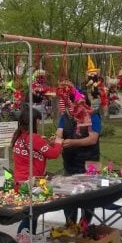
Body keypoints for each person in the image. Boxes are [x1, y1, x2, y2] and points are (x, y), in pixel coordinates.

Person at [12, 106, 63, 233]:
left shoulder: (19, 136)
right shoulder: (33, 138)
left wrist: (48, 144)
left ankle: (29, 241)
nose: (40, 123)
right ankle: (24, 241)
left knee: (32, 214)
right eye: (38, 120)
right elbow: (54, 154)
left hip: (21, 181)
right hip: (32, 182)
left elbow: (38, 155)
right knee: (31, 215)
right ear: (32, 121)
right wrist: (58, 142)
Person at [55, 89, 102, 225]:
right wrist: (57, 140)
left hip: (89, 163)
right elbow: (59, 133)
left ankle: (84, 225)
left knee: (88, 198)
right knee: (69, 198)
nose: (71, 109)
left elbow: (93, 139)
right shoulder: (65, 117)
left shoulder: (92, 116)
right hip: (70, 164)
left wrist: (73, 142)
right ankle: (70, 225)